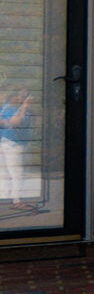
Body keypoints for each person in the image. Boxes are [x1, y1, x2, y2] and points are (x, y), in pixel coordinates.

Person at [0, 82, 33, 211]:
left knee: (5, 173)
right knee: (17, 173)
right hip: (12, 143)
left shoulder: (8, 107)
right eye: (22, 95)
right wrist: (24, 107)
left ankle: (7, 197)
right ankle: (17, 200)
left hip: (9, 142)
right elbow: (15, 122)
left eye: (26, 94)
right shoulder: (11, 108)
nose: (24, 97)